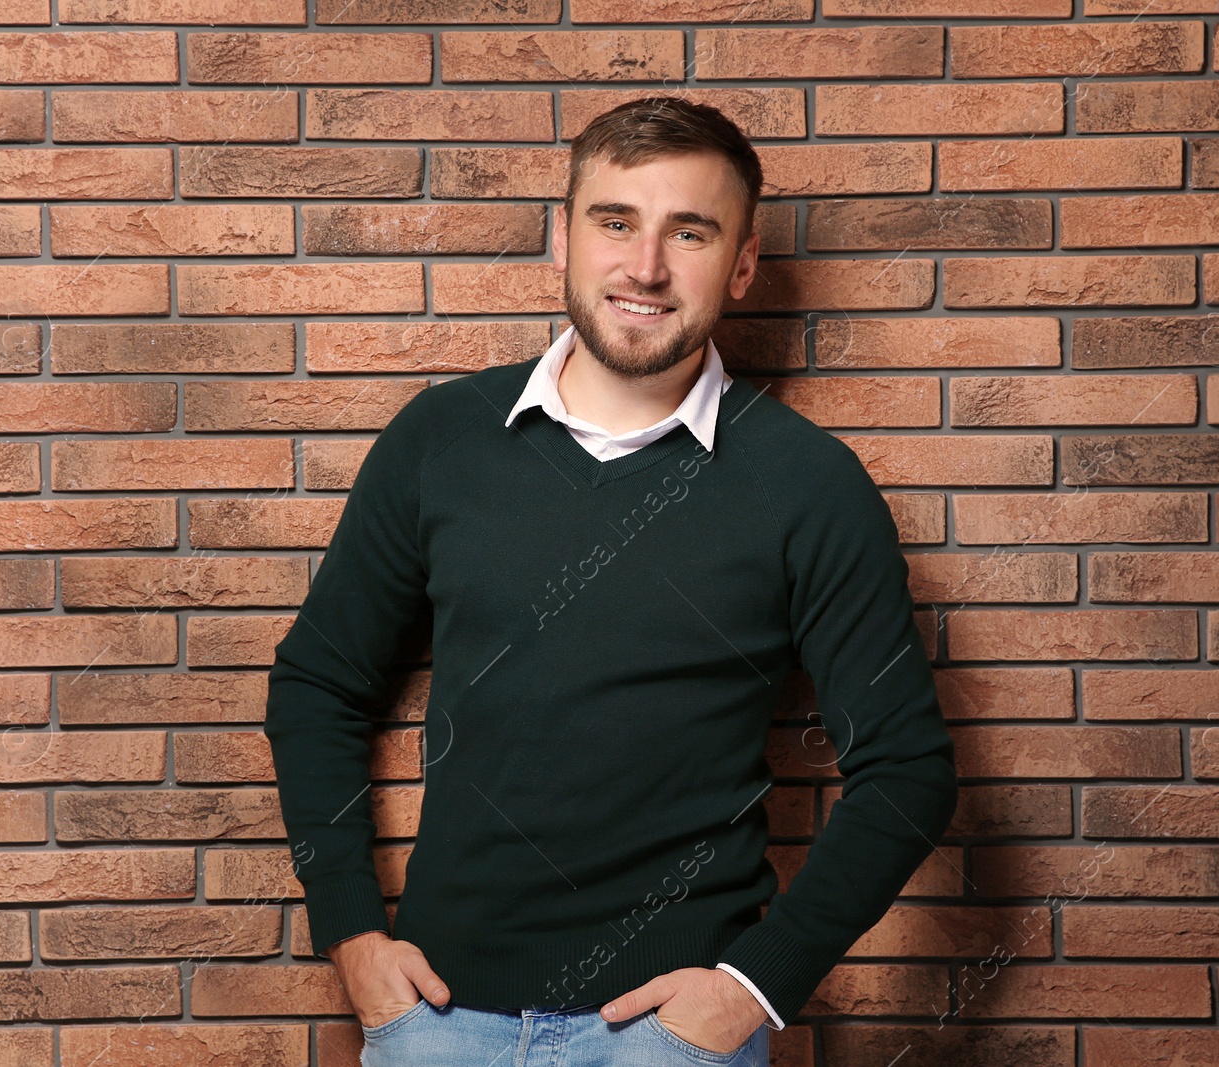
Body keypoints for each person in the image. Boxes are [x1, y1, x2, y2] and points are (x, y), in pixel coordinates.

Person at [264, 96, 959, 1067]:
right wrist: (352, 936)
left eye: (690, 231)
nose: (645, 266)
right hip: (436, 1026)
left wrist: (754, 987)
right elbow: (318, 686)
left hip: (671, 1041)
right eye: (616, 221)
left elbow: (907, 770)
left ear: (744, 263)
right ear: (563, 239)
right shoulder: (439, 441)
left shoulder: (809, 485)